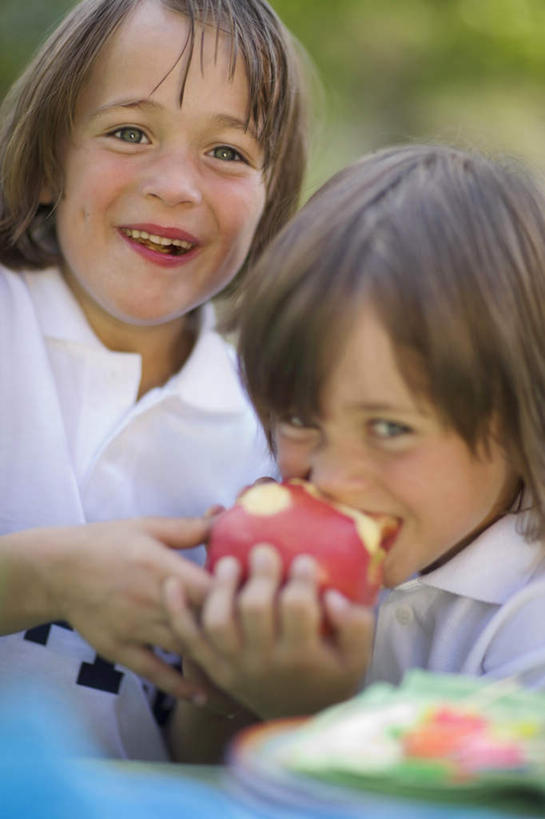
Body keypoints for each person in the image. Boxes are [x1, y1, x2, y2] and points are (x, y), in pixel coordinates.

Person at [164, 143, 545, 760]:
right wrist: (223, 682)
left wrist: (311, 717)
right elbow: (199, 776)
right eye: (296, 418)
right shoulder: (285, 537)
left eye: (390, 429)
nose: (333, 479)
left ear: (521, 411)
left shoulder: (528, 620)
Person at [0, 0, 308, 760]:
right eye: (129, 133)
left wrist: (237, 682)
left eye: (228, 153)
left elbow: (192, 758)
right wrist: (47, 577)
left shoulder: (274, 436)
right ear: (46, 163)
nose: (176, 185)